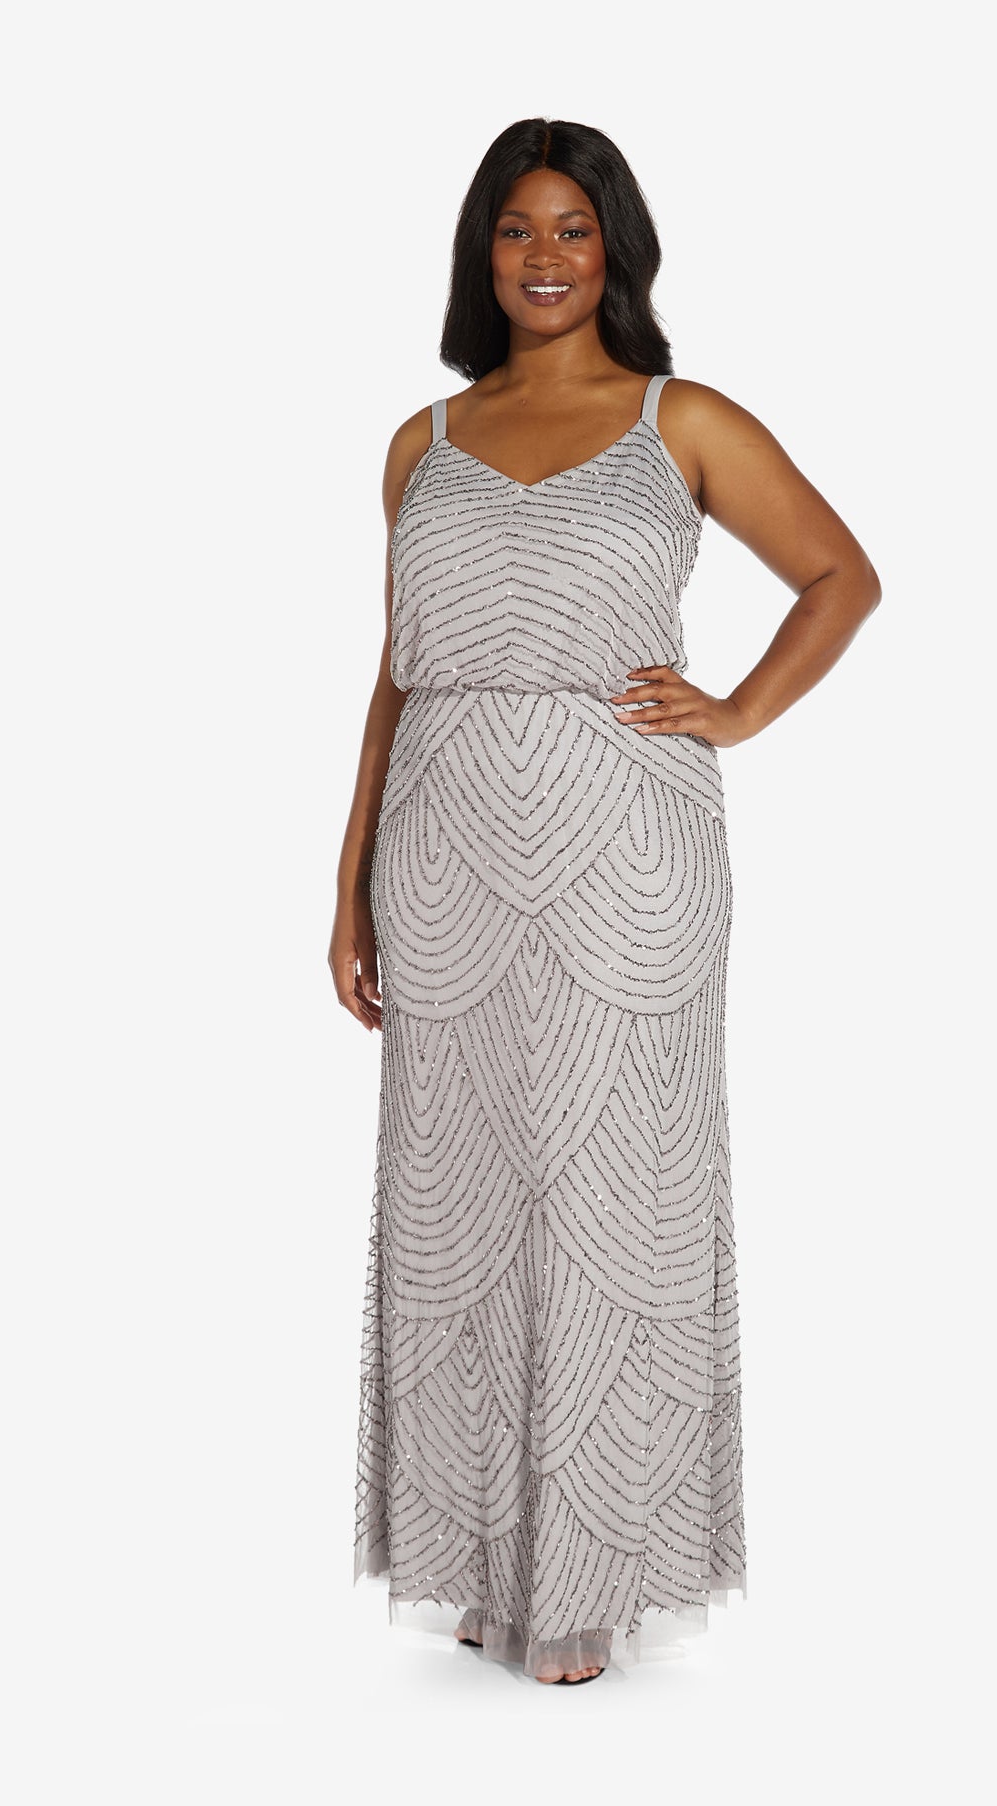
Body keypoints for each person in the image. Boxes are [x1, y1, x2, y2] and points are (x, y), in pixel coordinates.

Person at [332, 118, 880, 1686]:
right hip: (442, 851)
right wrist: (347, 881)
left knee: (607, 1196)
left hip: (626, 856)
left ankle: (587, 1579)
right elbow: (398, 670)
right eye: (516, 229)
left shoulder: (677, 419)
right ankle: (476, 1559)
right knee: (453, 1203)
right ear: (481, 253)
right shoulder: (421, 441)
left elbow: (840, 575)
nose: (544, 257)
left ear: (615, 248)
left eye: (572, 228)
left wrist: (739, 709)